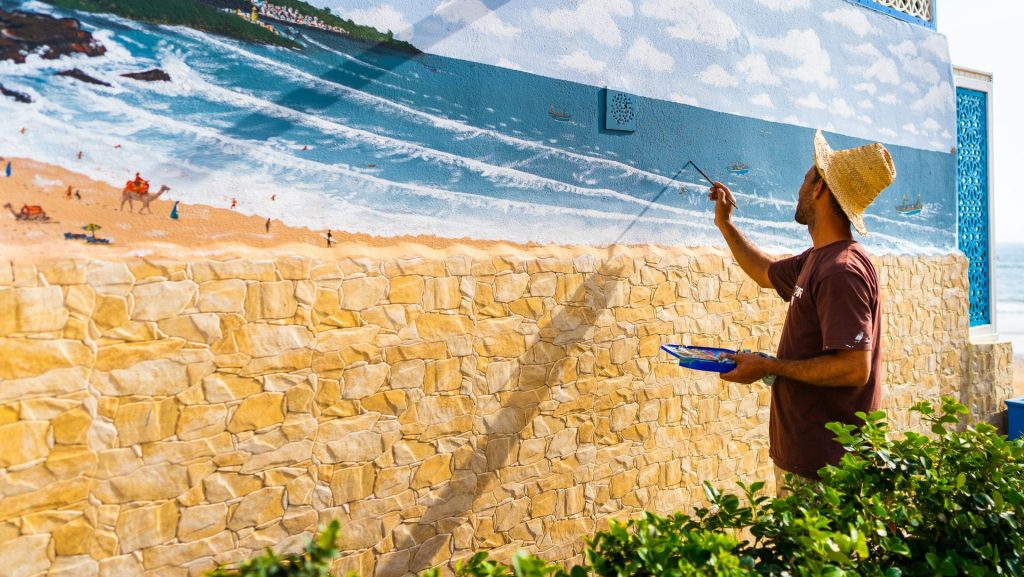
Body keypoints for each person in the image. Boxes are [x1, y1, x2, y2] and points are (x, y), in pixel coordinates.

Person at [707, 130, 895, 496]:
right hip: (810, 459)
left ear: (819, 189)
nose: (800, 187)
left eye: (806, 178)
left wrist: (770, 367)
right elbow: (764, 272)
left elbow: (855, 367)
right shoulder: (818, 259)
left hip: (825, 469)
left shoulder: (841, 270)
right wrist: (725, 225)